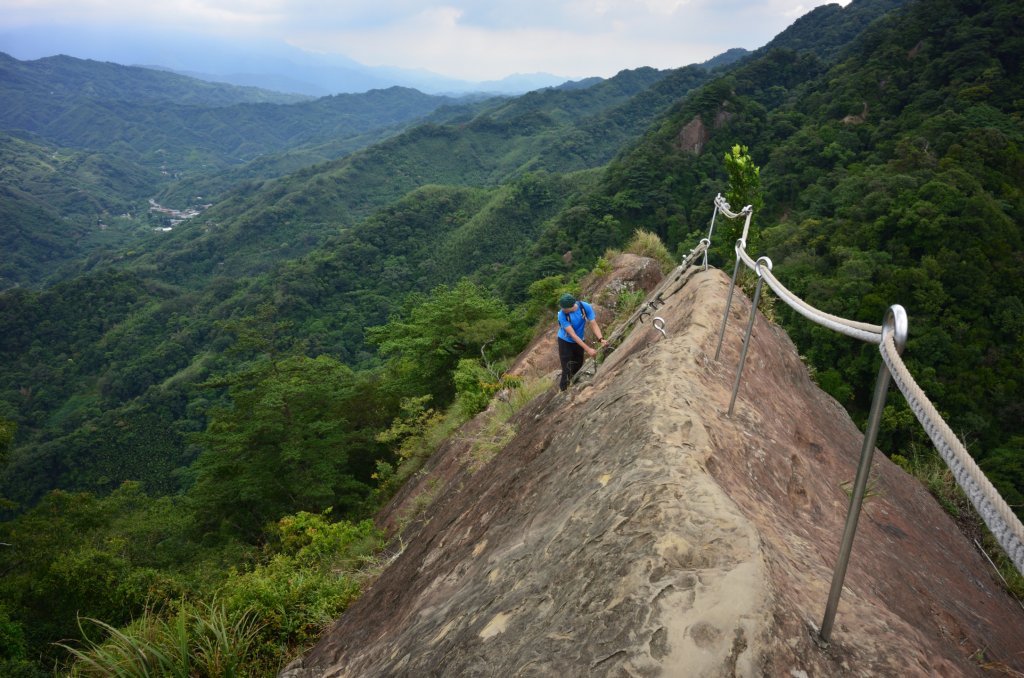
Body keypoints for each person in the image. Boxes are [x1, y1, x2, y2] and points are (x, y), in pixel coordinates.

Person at [556, 293, 608, 391]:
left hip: (579, 339)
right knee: (567, 367)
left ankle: (574, 384)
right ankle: (563, 391)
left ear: (571, 306)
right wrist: (588, 349)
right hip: (565, 341)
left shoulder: (585, 307)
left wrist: (601, 339)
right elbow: (573, 335)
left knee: (578, 364)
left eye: (564, 308)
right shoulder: (562, 315)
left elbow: (593, 324)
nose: (562, 309)